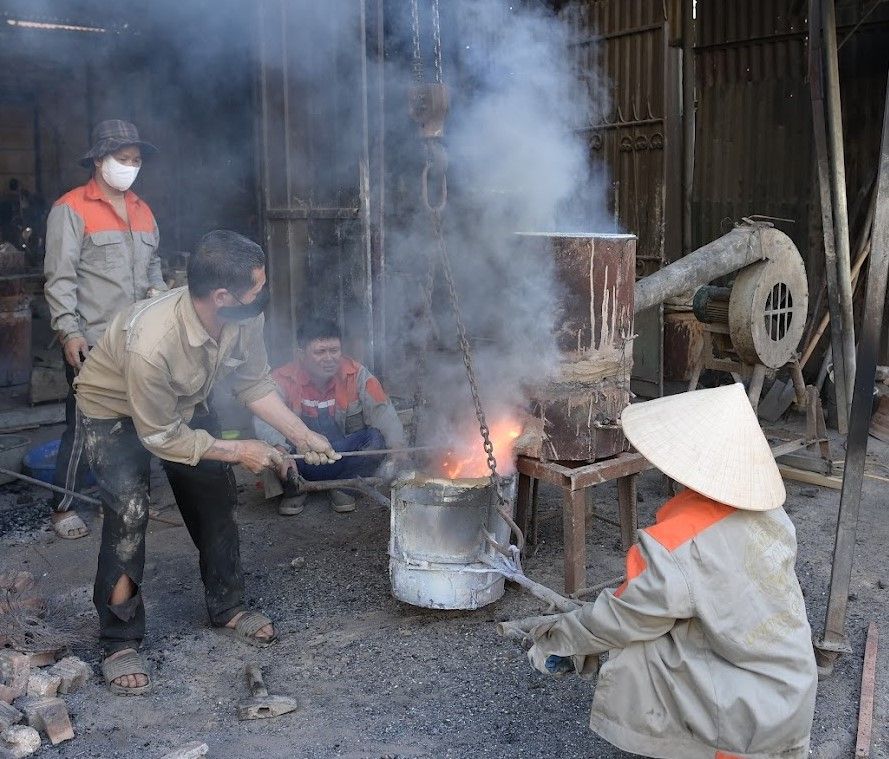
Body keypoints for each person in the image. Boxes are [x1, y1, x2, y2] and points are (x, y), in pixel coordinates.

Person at [73, 230, 339, 695]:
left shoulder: (242, 316)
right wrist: (241, 450)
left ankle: (227, 606)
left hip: (179, 404)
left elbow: (254, 384)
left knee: (215, 494)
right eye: (255, 287)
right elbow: (159, 436)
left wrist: (301, 433)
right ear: (221, 296)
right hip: (112, 412)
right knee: (128, 515)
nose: (262, 294)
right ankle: (118, 640)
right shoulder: (153, 343)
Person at [511, 383, 817, 759]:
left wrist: (556, 639)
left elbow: (621, 618)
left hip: (744, 723)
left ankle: (696, 747)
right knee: (666, 620)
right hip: (791, 700)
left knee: (639, 644)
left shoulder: (676, 543)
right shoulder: (772, 514)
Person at [43, 120, 167, 540]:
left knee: (131, 422)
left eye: (135, 161)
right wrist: (68, 332)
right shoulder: (71, 208)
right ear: (99, 160)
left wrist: (160, 297)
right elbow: (60, 279)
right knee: (82, 426)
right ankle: (63, 505)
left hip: (136, 339)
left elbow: (154, 269)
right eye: (122, 159)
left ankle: (118, 498)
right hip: (93, 340)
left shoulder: (143, 209)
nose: (130, 167)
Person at [254, 318, 405, 516]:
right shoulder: (281, 379)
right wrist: (280, 451)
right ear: (301, 354)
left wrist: (398, 449)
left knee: (376, 438)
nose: (329, 358)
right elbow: (264, 419)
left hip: (342, 456)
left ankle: (345, 488)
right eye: (320, 352)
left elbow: (383, 412)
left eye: (334, 350)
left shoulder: (357, 375)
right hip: (298, 460)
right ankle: (294, 488)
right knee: (271, 446)